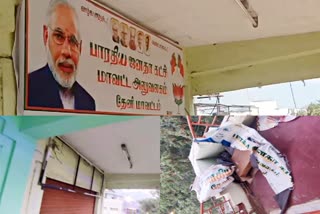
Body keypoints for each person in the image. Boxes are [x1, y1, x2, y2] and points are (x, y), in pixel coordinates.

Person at [28, 0, 95, 110]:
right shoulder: (30, 88)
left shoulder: (88, 102)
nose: (67, 51)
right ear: (46, 36)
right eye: (59, 37)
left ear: (80, 48)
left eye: (73, 41)